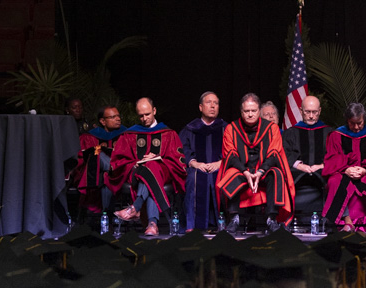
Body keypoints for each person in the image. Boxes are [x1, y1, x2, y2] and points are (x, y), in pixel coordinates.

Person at [216, 93, 296, 234]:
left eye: (254, 111)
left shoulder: (271, 129)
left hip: (264, 170)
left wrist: (260, 172)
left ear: (259, 111)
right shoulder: (231, 129)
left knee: (276, 173)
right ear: (241, 111)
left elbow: (274, 153)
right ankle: (234, 218)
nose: (250, 114)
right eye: (247, 111)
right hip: (241, 170)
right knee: (230, 174)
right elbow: (231, 155)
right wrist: (246, 172)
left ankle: (271, 218)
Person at [110, 98, 187, 236]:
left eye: (147, 114)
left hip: (163, 172)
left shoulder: (168, 133)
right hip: (136, 173)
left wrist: (159, 159)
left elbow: (177, 160)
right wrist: (135, 164)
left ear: (154, 111)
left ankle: (135, 207)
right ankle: (152, 224)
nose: (144, 118)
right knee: (149, 171)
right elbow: (119, 160)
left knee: (151, 165)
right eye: (141, 115)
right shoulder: (130, 134)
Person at [323, 102, 366, 233]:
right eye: (352, 123)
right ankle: (347, 223)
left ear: (364, 118)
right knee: (334, 181)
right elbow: (331, 159)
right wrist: (345, 169)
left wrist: (365, 168)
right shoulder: (337, 135)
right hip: (345, 173)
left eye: (359, 123)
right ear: (347, 120)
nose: (356, 127)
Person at [180, 91, 225, 232]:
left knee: (223, 177)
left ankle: (222, 224)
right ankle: (192, 225)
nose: (213, 106)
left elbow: (233, 151)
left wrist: (220, 163)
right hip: (197, 167)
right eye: (208, 102)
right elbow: (182, 150)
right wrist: (194, 163)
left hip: (220, 166)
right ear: (200, 107)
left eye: (216, 103)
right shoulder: (190, 129)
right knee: (193, 177)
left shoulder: (225, 128)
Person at [280, 95, 330, 223]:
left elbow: (336, 155)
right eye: (308, 112)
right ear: (301, 111)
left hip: (322, 171)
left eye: (314, 112)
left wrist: (321, 166)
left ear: (319, 111)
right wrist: (298, 165)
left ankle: (327, 220)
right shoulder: (292, 132)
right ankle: (289, 219)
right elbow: (284, 153)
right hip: (297, 172)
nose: (311, 116)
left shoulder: (329, 133)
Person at [72, 105, 124, 218]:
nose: (118, 119)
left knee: (105, 173)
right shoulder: (90, 136)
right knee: (105, 173)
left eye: (118, 116)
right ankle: (106, 216)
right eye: (113, 117)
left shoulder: (126, 135)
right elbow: (80, 158)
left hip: (121, 171)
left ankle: (102, 216)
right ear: (102, 121)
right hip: (96, 174)